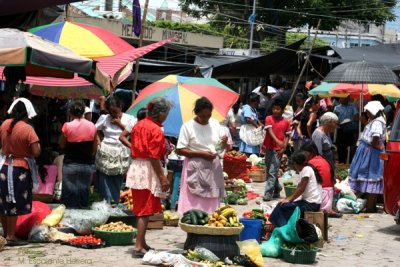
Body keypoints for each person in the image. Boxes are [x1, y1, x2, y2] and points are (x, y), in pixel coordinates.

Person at [125, 97, 172, 257]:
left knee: (142, 207)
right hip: (148, 169)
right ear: (161, 113)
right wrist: (162, 178)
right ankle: (138, 245)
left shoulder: (139, 125)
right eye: (166, 113)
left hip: (137, 166)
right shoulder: (155, 129)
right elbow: (153, 156)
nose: (167, 116)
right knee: (145, 209)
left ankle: (142, 242)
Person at [0, 98, 41, 246]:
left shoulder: (4, 124)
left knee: (4, 202)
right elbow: (36, 151)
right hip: (19, 169)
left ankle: (5, 234)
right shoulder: (28, 128)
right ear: (28, 112)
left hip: (4, 167)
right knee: (14, 201)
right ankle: (11, 236)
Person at [176, 97, 227, 215]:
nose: (205, 119)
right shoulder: (187, 126)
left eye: (208, 116)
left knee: (211, 197)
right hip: (195, 165)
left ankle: (210, 218)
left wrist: (224, 141)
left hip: (213, 166)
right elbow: (180, 149)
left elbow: (220, 146)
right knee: (194, 196)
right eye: (202, 116)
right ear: (196, 112)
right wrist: (201, 154)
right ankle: (193, 218)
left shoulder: (214, 124)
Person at [95, 96, 136, 204]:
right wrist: (98, 142)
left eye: (115, 111)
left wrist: (120, 124)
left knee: (118, 178)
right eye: (111, 111)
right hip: (105, 151)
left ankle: (115, 201)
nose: (113, 113)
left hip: (121, 153)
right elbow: (95, 130)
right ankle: (106, 202)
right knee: (104, 178)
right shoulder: (104, 118)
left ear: (121, 107)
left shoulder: (130, 119)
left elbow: (134, 134)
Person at [349, 101, 386, 213]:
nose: (367, 114)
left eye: (369, 112)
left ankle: (370, 207)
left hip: (371, 153)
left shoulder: (377, 122)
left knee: (372, 178)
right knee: (371, 178)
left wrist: (378, 146)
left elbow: (375, 138)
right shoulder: (375, 121)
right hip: (370, 150)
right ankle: (371, 206)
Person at [268, 151, 322, 227]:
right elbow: (299, 188)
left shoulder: (306, 169)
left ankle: (278, 227)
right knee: (282, 204)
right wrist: (289, 199)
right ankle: (278, 226)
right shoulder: (305, 170)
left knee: (282, 207)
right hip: (308, 202)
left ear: (297, 163)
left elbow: (301, 189)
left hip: (311, 205)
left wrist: (289, 199)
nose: (294, 166)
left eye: (294, 164)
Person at [60, 100, 97, 208]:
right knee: (83, 195)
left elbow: (62, 145)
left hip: (70, 165)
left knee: (69, 196)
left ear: (70, 112)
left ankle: (70, 222)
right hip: (86, 164)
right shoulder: (92, 126)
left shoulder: (67, 126)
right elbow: (94, 148)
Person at [300, 141, 342, 217]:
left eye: (304, 153)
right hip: (329, 196)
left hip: (320, 196)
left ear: (311, 152)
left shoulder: (310, 163)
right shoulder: (324, 160)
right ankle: (328, 209)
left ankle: (323, 210)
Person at [262, 98, 291, 201]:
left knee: (272, 172)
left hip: (278, 150)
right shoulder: (269, 118)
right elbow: (269, 130)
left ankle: (268, 193)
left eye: (278, 109)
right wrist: (278, 141)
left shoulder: (286, 122)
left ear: (282, 110)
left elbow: (287, 136)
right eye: (274, 108)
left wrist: (284, 147)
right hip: (268, 148)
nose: (275, 111)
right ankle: (277, 188)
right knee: (270, 170)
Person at [334, 96, 358, 164]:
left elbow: (356, 117)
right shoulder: (337, 108)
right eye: (341, 98)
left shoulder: (352, 106)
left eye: (343, 97)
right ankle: (341, 163)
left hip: (350, 129)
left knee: (350, 147)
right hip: (340, 129)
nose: (341, 99)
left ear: (348, 98)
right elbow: (334, 118)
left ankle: (350, 163)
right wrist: (337, 121)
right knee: (341, 148)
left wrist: (354, 120)